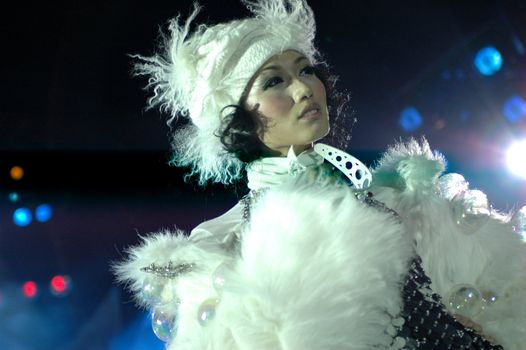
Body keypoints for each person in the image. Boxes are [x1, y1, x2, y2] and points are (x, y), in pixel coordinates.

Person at [114, 1, 526, 348]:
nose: (303, 89)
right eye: (274, 81)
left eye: (306, 70)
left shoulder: (393, 198)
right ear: (237, 117)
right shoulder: (226, 241)